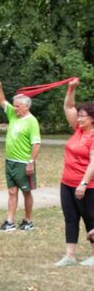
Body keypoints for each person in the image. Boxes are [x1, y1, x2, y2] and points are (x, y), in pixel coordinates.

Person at [54, 78, 94, 266]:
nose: (78, 118)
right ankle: (70, 255)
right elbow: (68, 106)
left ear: (92, 118)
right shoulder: (78, 130)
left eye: (82, 116)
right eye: (78, 116)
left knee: (90, 218)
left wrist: (83, 184)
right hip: (67, 182)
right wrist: (71, 88)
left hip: (87, 185)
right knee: (70, 218)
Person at [0, 80, 41, 231]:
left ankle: (28, 221)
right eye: (14, 105)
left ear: (26, 107)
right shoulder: (13, 115)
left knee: (26, 192)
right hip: (10, 162)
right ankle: (10, 222)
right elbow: (1, 100)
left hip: (23, 163)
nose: (15, 108)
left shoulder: (32, 121)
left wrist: (31, 162)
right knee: (12, 191)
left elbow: (36, 144)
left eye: (17, 106)